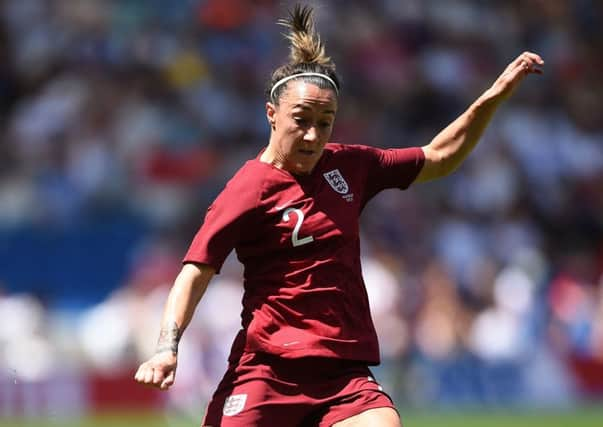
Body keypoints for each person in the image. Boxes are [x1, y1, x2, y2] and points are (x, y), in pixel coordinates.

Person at [134, 4, 544, 426]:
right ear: (271, 115)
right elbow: (195, 270)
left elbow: (439, 157)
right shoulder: (247, 189)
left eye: (325, 122)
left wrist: (493, 98)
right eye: (301, 120)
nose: (313, 134)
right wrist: (168, 346)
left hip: (343, 377)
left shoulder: (350, 166)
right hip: (268, 373)